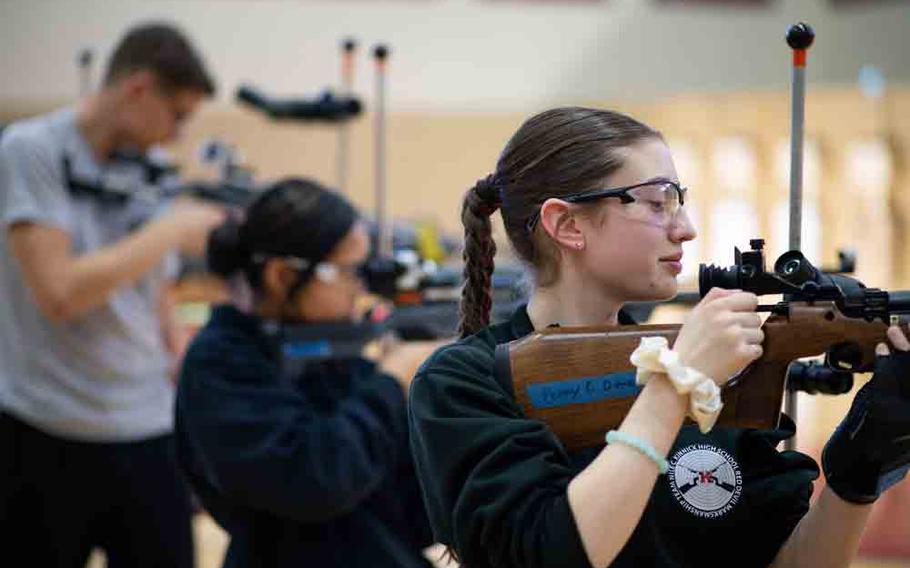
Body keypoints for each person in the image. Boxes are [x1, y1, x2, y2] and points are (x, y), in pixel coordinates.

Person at [407, 107, 910, 568]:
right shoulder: (466, 382)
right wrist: (677, 383)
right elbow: (552, 552)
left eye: (680, 201)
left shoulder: (724, 377)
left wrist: (857, 471)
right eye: (658, 201)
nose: (686, 228)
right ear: (566, 224)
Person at [0, 22, 224, 567]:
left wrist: (176, 353)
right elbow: (59, 293)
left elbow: (155, 287)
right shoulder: (32, 150)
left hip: (146, 428)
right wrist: (169, 229)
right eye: (177, 116)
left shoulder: (150, 168)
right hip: (43, 428)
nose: (176, 135)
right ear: (139, 89)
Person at [175, 177, 435, 567]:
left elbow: (415, 506)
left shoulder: (332, 353)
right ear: (281, 276)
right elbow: (315, 480)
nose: (359, 287)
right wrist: (394, 380)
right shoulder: (220, 363)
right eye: (347, 271)